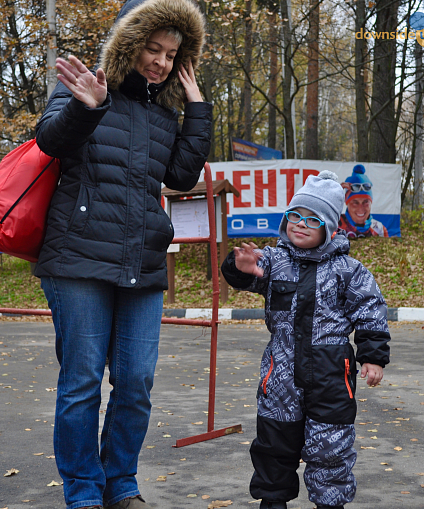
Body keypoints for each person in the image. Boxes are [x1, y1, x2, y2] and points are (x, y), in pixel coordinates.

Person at [34, 0, 212, 507]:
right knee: (83, 383)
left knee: (136, 382)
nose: (160, 61)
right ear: (128, 44)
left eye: (171, 54)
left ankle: (122, 485)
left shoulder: (164, 112)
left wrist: (197, 108)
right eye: (152, 49)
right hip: (79, 259)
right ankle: (85, 492)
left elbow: (180, 175)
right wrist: (86, 104)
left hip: (142, 261)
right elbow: (49, 140)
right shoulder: (86, 86)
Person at [221, 171, 391, 509]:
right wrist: (239, 267)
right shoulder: (273, 261)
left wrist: (372, 355)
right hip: (280, 374)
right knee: (273, 444)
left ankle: (330, 503)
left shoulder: (348, 269)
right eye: (295, 216)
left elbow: (370, 310)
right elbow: (241, 276)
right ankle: (272, 502)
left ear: (328, 228)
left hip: (331, 376)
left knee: (331, 447)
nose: (300, 224)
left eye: (312, 219)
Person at [339, 164, 389, 238]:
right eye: (355, 202)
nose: (360, 208)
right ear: (347, 203)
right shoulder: (336, 225)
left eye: (365, 202)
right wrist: (334, 196)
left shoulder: (379, 228)